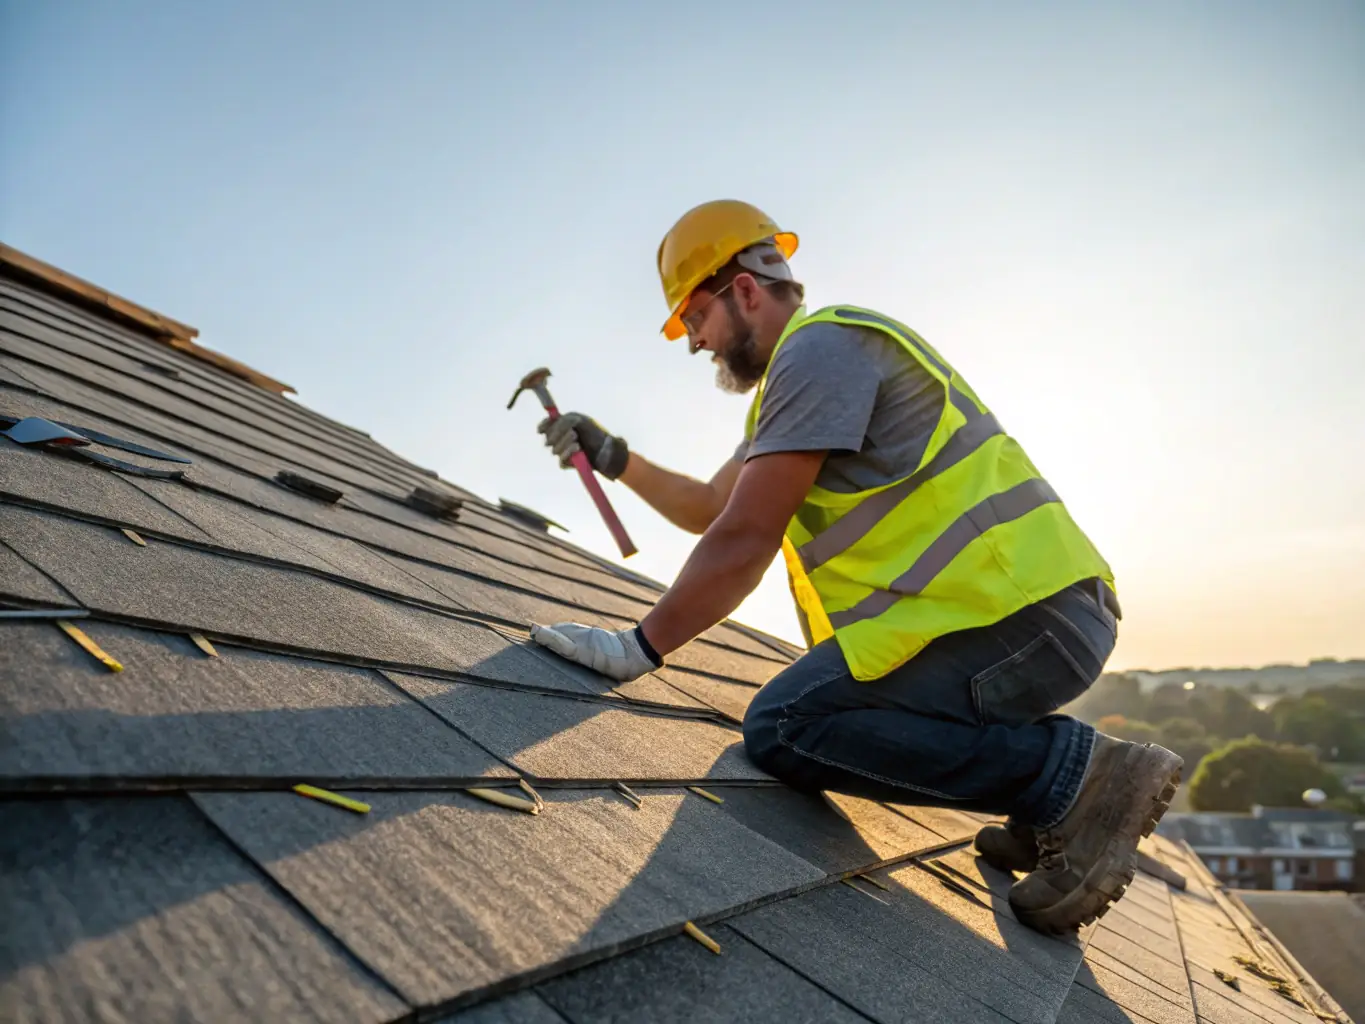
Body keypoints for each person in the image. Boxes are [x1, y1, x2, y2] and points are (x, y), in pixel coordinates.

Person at [528, 199, 1182, 933]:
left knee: (785, 723)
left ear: (742, 289)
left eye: (694, 316)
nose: (694, 343)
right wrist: (614, 456)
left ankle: (1066, 780)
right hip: (1017, 620)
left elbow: (746, 535)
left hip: (1017, 619)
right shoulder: (806, 378)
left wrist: (638, 647)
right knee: (801, 713)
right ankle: (1052, 797)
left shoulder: (821, 351)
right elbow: (714, 506)